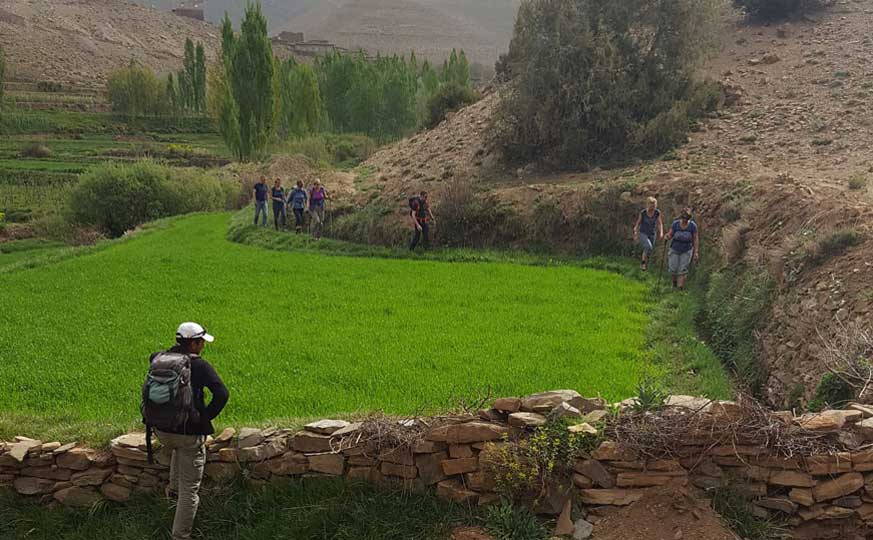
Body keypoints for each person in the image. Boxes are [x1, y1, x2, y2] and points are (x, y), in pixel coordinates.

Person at [148, 323, 229, 540]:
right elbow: (222, 394)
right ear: (193, 343)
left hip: (161, 429)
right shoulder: (200, 366)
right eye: (201, 342)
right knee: (190, 491)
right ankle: (180, 535)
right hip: (188, 433)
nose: (203, 346)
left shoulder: (158, 358)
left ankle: (171, 502)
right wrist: (204, 418)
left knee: (176, 451)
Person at [663, 208, 700, 290]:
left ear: (689, 218)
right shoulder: (675, 224)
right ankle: (674, 284)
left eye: (686, 218)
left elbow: (695, 239)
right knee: (673, 268)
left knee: (682, 269)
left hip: (687, 250)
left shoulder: (692, 226)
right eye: (683, 218)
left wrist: (696, 251)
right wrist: (667, 237)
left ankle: (680, 289)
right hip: (674, 249)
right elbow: (670, 233)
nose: (684, 220)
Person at [633, 197, 664, 271]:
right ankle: (643, 263)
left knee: (649, 250)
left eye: (654, 205)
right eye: (651, 205)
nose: (653, 207)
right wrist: (636, 233)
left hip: (652, 233)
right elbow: (638, 223)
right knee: (648, 246)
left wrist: (661, 232)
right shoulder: (643, 213)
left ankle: (645, 266)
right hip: (643, 233)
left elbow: (659, 223)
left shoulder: (657, 213)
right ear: (648, 205)